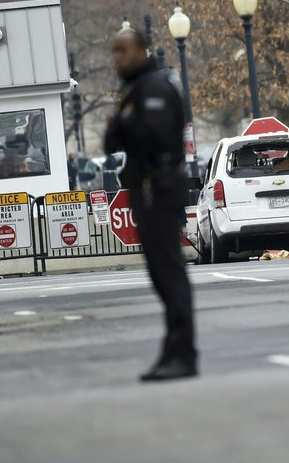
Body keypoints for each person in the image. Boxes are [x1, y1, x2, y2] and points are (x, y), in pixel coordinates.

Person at [104, 27, 198, 382]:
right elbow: (111, 141)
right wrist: (125, 124)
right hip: (144, 189)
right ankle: (173, 349)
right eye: (114, 51)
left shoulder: (156, 87)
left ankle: (183, 353)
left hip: (159, 189)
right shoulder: (134, 90)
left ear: (143, 51)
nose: (118, 58)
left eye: (124, 50)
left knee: (169, 274)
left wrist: (126, 124)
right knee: (160, 276)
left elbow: (152, 136)